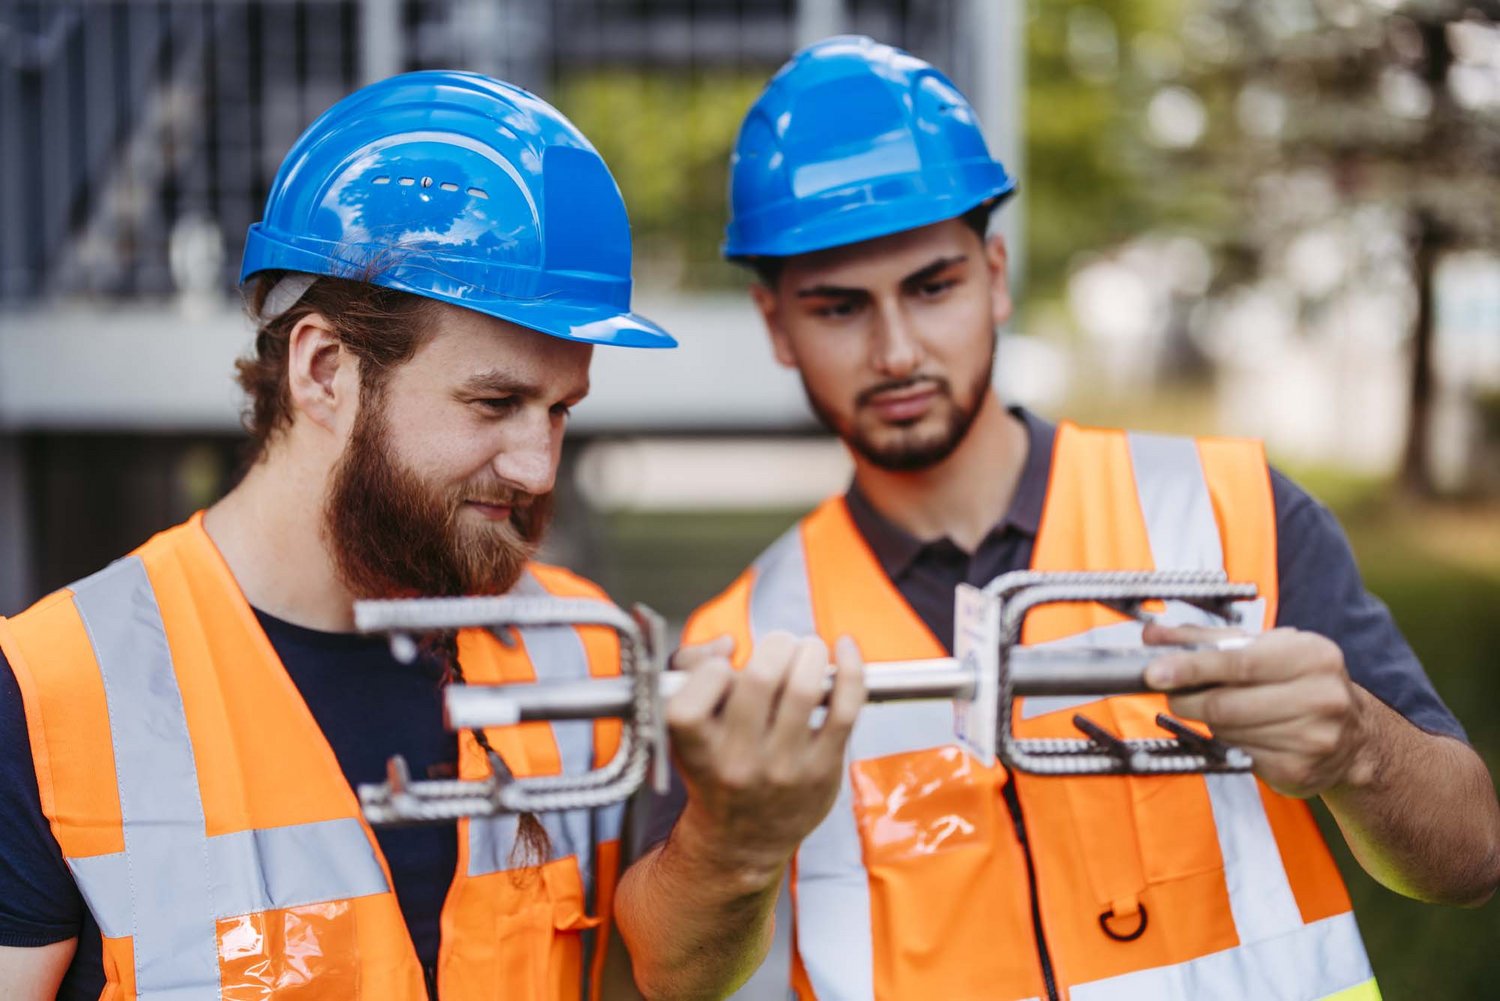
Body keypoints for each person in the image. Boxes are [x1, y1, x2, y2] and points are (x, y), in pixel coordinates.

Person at [618, 36, 1500, 1001]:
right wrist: (732, 844)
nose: (897, 348)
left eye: (931, 286)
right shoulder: (738, 643)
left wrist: (1358, 747)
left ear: (995, 275)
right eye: (838, 308)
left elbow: (1470, 858)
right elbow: (672, 977)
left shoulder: (1227, 511)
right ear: (777, 326)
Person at [0, 70, 864, 1000]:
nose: (538, 467)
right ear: (324, 368)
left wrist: (738, 844)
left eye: (560, 409)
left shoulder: (579, 650)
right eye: (494, 402)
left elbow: (671, 977)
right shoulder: (56, 691)